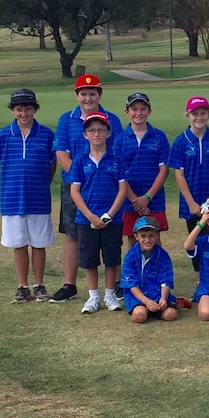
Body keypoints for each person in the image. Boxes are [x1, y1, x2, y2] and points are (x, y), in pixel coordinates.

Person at [51, 74, 122, 304]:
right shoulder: (66, 119)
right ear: (77, 96)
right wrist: (81, 176)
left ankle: (114, 287)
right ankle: (70, 285)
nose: (88, 98)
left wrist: (93, 175)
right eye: (83, 93)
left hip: (107, 185)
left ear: (100, 95)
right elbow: (61, 154)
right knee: (74, 233)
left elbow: (118, 151)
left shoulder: (111, 119)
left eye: (93, 93)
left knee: (110, 235)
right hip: (75, 184)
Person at [0, 89, 56, 303]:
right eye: (19, 109)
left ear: (35, 109)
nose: (23, 113)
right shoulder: (3, 134)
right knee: (18, 243)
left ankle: (39, 285)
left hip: (38, 198)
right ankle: (22, 285)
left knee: (39, 243)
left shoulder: (46, 134)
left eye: (28, 108)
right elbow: (2, 164)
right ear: (12, 111)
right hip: (12, 199)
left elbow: (52, 164)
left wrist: (39, 183)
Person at [68, 112, 128, 314]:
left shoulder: (117, 158)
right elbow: (74, 191)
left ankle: (110, 295)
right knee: (89, 259)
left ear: (108, 133)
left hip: (113, 218)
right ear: (85, 134)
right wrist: (91, 216)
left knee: (112, 258)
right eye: (92, 130)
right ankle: (93, 297)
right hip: (86, 220)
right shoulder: (79, 160)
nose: (96, 134)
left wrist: (109, 214)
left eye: (101, 129)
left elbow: (122, 189)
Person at [168, 96, 209, 281]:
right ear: (188, 115)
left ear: (208, 114)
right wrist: (192, 203)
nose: (199, 117)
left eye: (203, 113)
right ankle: (200, 281)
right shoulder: (181, 141)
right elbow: (179, 175)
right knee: (195, 241)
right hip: (191, 203)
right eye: (195, 113)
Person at [114, 93, 170, 270]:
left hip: (154, 198)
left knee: (154, 236)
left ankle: (158, 277)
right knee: (133, 238)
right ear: (127, 111)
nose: (139, 113)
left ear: (149, 111)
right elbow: (119, 174)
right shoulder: (120, 140)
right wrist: (135, 201)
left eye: (143, 109)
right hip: (130, 200)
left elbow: (164, 170)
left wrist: (147, 197)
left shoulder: (159, 137)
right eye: (134, 109)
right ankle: (135, 278)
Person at [120, 216, 178, 324]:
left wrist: (164, 299)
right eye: (143, 236)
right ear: (136, 236)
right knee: (139, 316)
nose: (147, 240)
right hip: (137, 296)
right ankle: (145, 309)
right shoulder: (130, 256)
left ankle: (155, 309)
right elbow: (132, 285)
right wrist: (146, 301)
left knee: (171, 314)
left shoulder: (163, 255)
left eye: (151, 236)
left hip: (157, 294)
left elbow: (165, 280)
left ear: (157, 235)